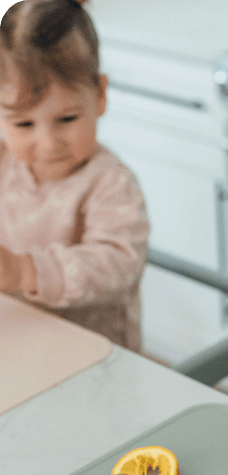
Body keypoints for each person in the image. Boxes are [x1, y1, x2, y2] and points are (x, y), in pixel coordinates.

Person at [0, 0, 149, 351]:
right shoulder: (5, 161)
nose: (48, 144)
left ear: (99, 95)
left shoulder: (111, 183)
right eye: (24, 124)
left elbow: (118, 266)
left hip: (97, 358)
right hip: (23, 340)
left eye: (67, 119)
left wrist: (24, 271)